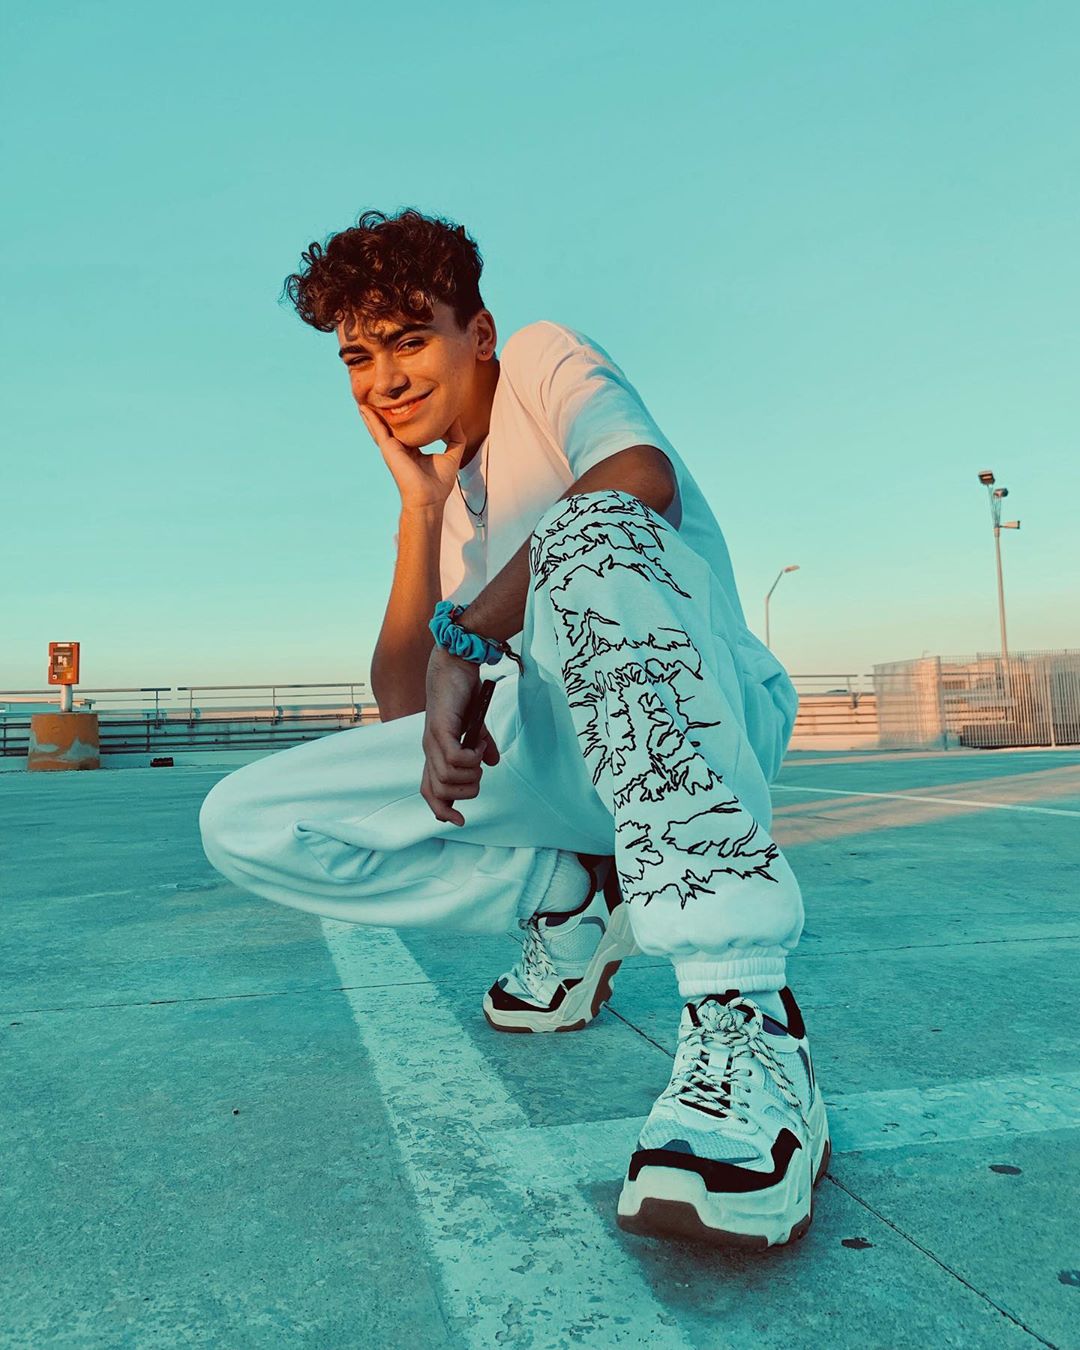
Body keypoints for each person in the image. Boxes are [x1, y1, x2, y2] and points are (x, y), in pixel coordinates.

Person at [198, 208, 830, 1249]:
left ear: (478, 334)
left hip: (701, 717)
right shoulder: (453, 500)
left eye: (409, 341)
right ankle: (570, 893)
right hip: (569, 762)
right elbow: (408, 717)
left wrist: (469, 632)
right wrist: (420, 513)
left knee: (588, 528)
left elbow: (641, 480)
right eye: (358, 357)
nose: (383, 379)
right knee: (244, 820)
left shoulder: (542, 358)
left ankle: (749, 1019)